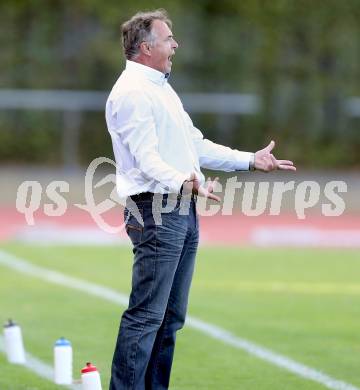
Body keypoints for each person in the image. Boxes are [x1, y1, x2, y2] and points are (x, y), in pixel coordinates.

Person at [105, 9, 296, 390]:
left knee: (170, 317)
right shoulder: (132, 92)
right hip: (156, 209)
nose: (175, 44)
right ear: (146, 47)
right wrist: (183, 180)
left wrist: (249, 161)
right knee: (147, 316)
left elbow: (195, 144)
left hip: (180, 207)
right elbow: (147, 159)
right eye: (168, 38)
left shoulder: (160, 87)